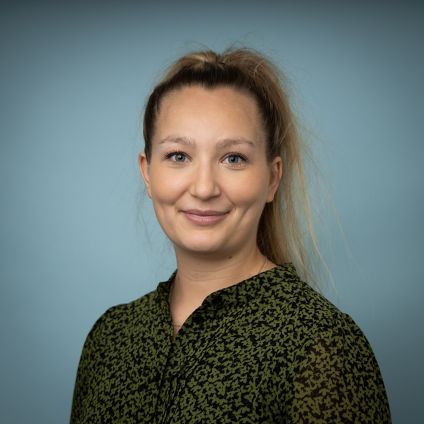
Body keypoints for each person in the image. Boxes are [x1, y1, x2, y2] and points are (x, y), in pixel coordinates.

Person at [70, 46, 391, 423]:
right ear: (147, 173)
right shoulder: (110, 337)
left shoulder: (322, 342)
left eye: (233, 158)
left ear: (272, 179)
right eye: (178, 156)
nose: (204, 188)